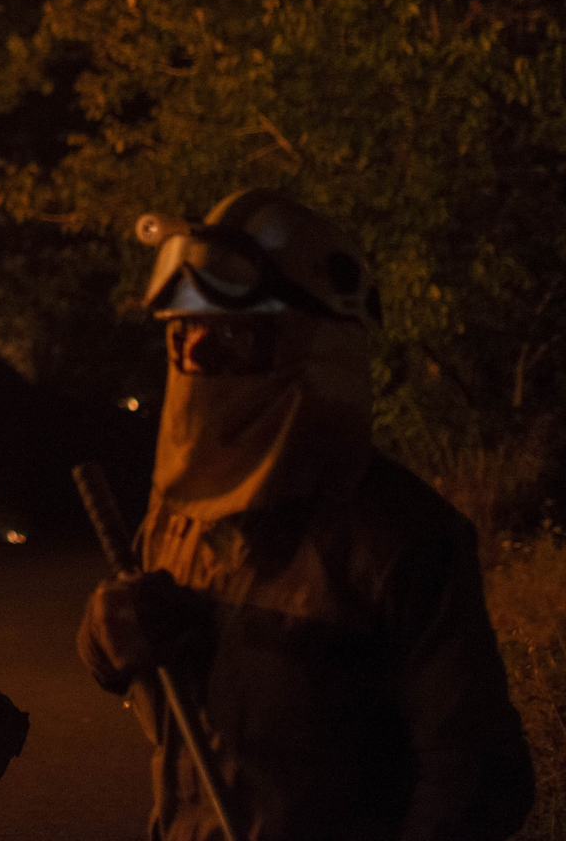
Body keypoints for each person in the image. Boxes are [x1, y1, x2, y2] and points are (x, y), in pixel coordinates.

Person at [78, 189, 535, 841]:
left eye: (233, 333)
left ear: (312, 345)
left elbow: (480, 770)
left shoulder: (399, 537)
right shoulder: (181, 516)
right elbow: (125, 671)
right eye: (183, 332)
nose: (196, 357)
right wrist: (104, 635)